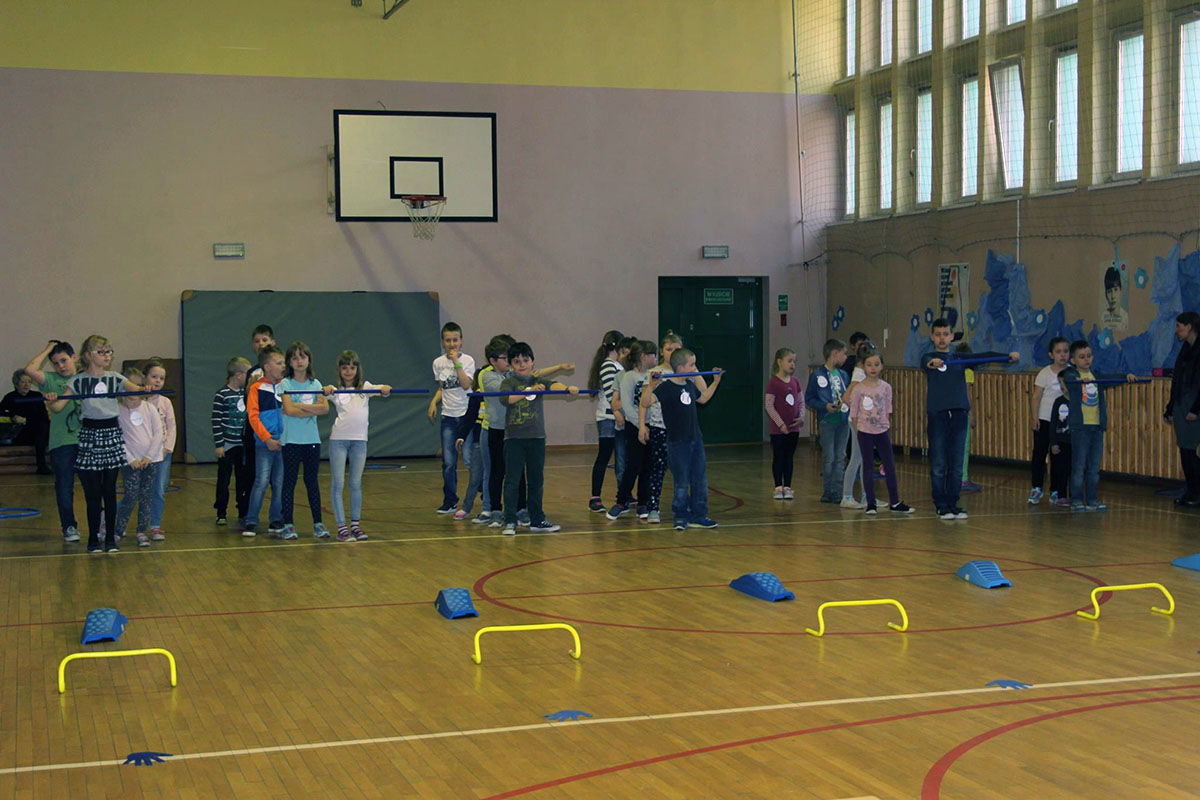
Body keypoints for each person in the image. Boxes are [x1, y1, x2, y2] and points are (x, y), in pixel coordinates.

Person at [44, 335, 141, 554]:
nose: (107, 356)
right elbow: (58, 407)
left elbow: (136, 389)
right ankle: (93, 538)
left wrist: (145, 387)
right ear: (88, 355)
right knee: (93, 492)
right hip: (89, 435)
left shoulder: (115, 378)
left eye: (109, 351)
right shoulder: (78, 381)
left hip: (111, 435)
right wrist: (50, 399)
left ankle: (110, 538)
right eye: (101, 352)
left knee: (109, 490)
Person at [920, 319, 1017, 520]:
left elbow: (982, 356)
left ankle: (952, 503)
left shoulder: (959, 358)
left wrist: (1007, 357)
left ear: (951, 336)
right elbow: (926, 362)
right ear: (932, 337)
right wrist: (933, 363)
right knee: (939, 462)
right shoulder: (929, 357)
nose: (942, 338)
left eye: (945, 334)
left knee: (957, 463)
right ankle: (941, 505)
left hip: (959, 414)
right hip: (938, 415)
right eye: (938, 334)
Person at [497, 342, 580, 535]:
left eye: (525, 360)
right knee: (512, 481)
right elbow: (507, 399)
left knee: (536, 481)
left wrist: (568, 388)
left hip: (536, 438)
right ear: (511, 365)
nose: (522, 365)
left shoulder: (538, 380)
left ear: (532, 362)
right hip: (514, 439)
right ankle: (510, 521)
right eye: (517, 362)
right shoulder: (508, 383)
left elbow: (554, 385)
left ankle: (537, 519)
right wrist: (529, 391)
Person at [644, 348, 723, 531]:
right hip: (677, 443)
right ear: (680, 368)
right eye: (692, 365)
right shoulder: (666, 387)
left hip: (696, 440)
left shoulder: (689, 385)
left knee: (699, 479)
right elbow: (646, 402)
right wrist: (651, 385)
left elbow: (703, 399)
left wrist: (716, 381)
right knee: (681, 482)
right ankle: (680, 515)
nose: (695, 368)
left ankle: (699, 515)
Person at [1060, 340, 1138, 512]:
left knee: (1094, 468)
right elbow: (1069, 379)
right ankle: (1076, 500)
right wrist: (1080, 379)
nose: (1086, 359)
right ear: (1073, 360)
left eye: (1089, 356)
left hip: (1096, 427)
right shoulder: (1071, 374)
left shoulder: (1096, 375)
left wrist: (1126, 376)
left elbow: (1111, 378)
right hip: (1080, 428)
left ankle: (1092, 499)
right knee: (1079, 466)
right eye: (1081, 357)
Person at [324, 350, 391, 541]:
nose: (348, 371)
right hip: (339, 441)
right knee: (338, 483)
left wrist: (385, 389)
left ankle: (355, 525)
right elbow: (322, 392)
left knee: (355, 483)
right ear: (339, 370)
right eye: (345, 368)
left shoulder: (365, 388)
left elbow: (383, 389)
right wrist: (325, 390)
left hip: (359, 442)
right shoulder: (335, 390)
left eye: (352, 367)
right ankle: (341, 527)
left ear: (357, 369)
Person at [24, 340, 82, 541]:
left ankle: (99, 522)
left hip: (88, 440)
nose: (61, 366)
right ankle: (69, 526)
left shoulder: (85, 378)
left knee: (94, 485)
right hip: (62, 442)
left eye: (64, 360)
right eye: (56, 363)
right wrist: (48, 348)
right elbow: (30, 369)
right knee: (64, 486)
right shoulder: (50, 379)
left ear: (74, 358)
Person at [847, 351, 914, 514]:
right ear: (863, 367)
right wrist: (859, 430)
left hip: (882, 432)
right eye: (869, 365)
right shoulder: (858, 389)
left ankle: (895, 502)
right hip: (864, 433)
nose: (873, 368)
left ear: (882, 366)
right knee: (868, 466)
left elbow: (887, 410)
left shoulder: (886, 387)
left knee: (889, 466)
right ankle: (870, 503)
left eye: (876, 364)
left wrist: (883, 426)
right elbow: (854, 413)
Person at [280, 340, 329, 538]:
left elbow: (324, 409)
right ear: (289, 362)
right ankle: (288, 524)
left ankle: (318, 523)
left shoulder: (315, 384)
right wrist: (311, 409)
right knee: (289, 482)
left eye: (302, 357)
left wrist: (300, 406)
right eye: (294, 358)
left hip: (311, 440)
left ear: (309, 360)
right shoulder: (285, 384)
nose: (299, 361)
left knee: (312, 482)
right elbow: (289, 410)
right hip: (291, 440)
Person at [428, 322, 475, 515]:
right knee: (448, 462)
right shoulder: (438, 363)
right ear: (443, 342)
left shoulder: (468, 361)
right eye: (448, 340)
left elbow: (465, 384)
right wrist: (433, 402)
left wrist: (456, 362)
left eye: (455, 340)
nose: (452, 344)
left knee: (470, 460)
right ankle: (450, 501)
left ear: (461, 341)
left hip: (466, 416)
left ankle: (481, 498)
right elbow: (443, 388)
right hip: (448, 416)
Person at [608, 340, 658, 519]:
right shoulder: (629, 377)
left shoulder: (655, 375)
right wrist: (640, 425)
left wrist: (650, 424)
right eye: (653, 355)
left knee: (648, 466)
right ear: (644, 356)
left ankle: (643, 503)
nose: (656, 358)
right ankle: (621, 501)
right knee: (633, 465)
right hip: (634, 426)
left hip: (653, 425)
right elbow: (628, 405)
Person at [115, 368, 164, 547]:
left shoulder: (149, 408)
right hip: (131, 463)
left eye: (139, 385)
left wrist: (148, 457)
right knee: (130, 496)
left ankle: (141, 531)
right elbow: (117, 438)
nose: (135, 389)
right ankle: (118, 530)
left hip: (150, 461)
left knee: (146, 496)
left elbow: (158, 433)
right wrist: (130, 459)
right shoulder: (117, 411)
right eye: (132, 385)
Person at [243, 346, 286, 537]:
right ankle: (251, 520)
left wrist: (285, 437)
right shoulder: (256, 388)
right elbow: (253, 417)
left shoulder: (286, 386)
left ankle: (276, 519)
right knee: (260, 482)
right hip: (264, 444)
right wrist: (267, 438)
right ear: (267, 367)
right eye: (279, 363)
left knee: (279, 483)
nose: (283, 366)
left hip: (284, 442)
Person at [804, 339, 850, 504]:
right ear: (834, 354)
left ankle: (837, 492)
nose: (845, 357)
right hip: (827, 421)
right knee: (829, 457)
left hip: (843, 421)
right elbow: (809, 398)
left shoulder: (844, 375)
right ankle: (827, 491)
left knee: (840, 456)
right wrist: (824, 406)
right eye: (843, 354)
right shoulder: (817, 375)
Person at [242, 324, 277, 530]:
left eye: (265, 340)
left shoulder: (283, 372)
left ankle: (278, 517)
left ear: (272, 342)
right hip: (257, 432)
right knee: (256, 476)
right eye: (257, 341)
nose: (261, 344)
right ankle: (249, 516)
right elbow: (248, 403)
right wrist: (250, 386)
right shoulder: (253, 372)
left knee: (279, 479)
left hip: (279, 433)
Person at [1028, 337, 1071, 504]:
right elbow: (1036, 397)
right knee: (1039, 454)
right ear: (1051, 354)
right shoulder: (1045, 373)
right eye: (1058, 352)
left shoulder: (1072, 372)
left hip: (1062, 423)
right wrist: (1035, 417)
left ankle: (1056, 490)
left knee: (1058, 457)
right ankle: (1037, 487)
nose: (1062, 355)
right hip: (1045, 419)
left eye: (1065, 351)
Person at [1164, 311, 1200, 506]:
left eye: (1179, 326)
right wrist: (1170, 407)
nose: (1177, 330)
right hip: (1182, 403)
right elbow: (1177, 380)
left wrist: (1195, 408)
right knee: (1186, 450)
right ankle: (1193, 490)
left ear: (1189, 327)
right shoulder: (1185, 349)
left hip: (1193, 404)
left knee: (1188, 449)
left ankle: (1195, 491)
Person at [587, 330, 625, 512]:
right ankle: (595, 497)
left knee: (621, 458)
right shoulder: (609, 365)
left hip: (617, 416)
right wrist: (617, 412)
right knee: (604, 456)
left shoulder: (617, 365)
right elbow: (611, 393)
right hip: (609, 418)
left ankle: (624, 494)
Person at [212, 356, 252, 526]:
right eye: (248, 374)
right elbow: (216, 420)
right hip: (227, 445)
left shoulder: (247, 393)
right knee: (224, 480)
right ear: (238, 375)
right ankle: (221, 512)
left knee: (243, 480)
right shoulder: (222, 394)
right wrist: (219, 444)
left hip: (243, 445)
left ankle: (243, 510)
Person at [141, 359, 175, 541]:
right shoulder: (137, 400)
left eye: (161, 378)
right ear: (144, 377)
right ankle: (114, 521)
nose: (158, 381)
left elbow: (171, 427)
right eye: (154, 376)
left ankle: (155, 526)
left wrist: (167, 448)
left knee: (159, 490)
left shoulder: (165, 402)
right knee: (135, 491)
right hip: (141, 454)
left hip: (162, 454)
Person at [765, 347, 805, 500]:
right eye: (789, 361)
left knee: (789, 457)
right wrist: (780, 424)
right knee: (779, 457)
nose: (792, 364)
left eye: (794, 361)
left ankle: (787, 486)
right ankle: (778, 487)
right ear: (779, 362)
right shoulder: (773, 383)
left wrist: (801, 417)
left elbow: (801, 402)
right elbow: (769, 406)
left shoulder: (795, 382)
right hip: (778, 431)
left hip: (793, 429)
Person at [839, 339, 871, 509]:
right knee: (856, 459)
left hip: (865, 422)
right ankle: (847, 496)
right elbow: (846, 397)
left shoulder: (864, 373)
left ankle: (867, 497)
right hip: (858, 422)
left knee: (865, 459)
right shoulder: (859, 374)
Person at [0, 370, 50, 473]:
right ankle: (41, 466)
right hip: (19, 433)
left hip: (37, 431)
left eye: (29, 382)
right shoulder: (10, 397)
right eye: (23, 382)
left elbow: (44, 416)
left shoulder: (36, 395)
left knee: (42, 426)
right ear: (16, 383)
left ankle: (42, 466)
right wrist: (12, 417)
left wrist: (27, 420)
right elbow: (1, 412)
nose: (26, 385)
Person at [1048, 373, 1073, 506]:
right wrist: (1054, 443)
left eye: (1065, 382)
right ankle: (1061, 495)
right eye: (1060, 383)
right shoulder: (1059, 402)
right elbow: (1053, 423)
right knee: (1061, 470)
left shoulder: (1078, 401)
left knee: (1074, 470)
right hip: (1061, 442)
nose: (1062, 386)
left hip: (1075, 442)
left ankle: (1074, 495)